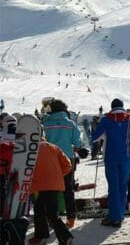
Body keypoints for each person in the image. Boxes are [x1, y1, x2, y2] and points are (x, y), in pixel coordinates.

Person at [91, 99, 130, 227]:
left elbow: (95, 138)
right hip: (125, 157)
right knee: (122, 186)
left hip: (110, 157)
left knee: (113, 187)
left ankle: (115, 217)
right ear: (122, 107)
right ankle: (119, 214)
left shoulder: (106, 120)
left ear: (112, 107)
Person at [41, 99, 81, 228]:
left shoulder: (45, 122)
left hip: (49, 158)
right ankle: (71, 218)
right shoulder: (70, 124)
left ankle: (51, 218)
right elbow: (78, 143)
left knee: (49, 189)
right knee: (68, 189)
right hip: (67, 159)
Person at [29, 138, 74, 245]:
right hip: (54, 184)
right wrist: (57, 176)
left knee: (40, 211)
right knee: (50, 212)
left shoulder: (30, 148)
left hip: (39, 185)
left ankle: (49, 236)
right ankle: (60, 237)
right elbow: (68, 165)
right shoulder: (53, 147)